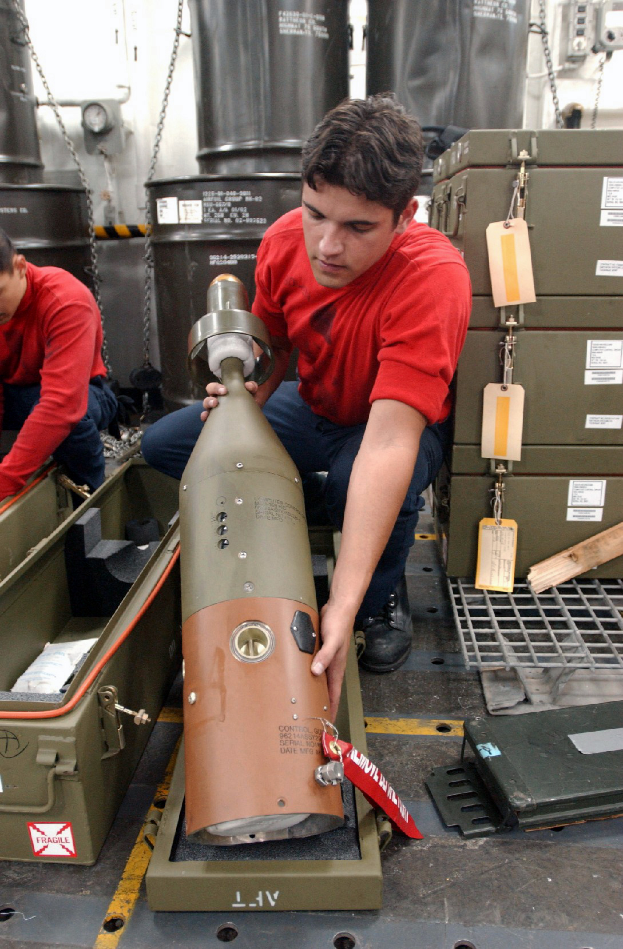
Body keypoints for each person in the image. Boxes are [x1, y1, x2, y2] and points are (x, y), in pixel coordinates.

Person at [141, 94, 471, 717]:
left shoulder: (433, 277)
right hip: (312, 408)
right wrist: (241, 404)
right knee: (169, 444)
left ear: (406, 216)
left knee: (363, 485)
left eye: (357, 227)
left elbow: (390, 442)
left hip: (385, 426)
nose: (327, 245)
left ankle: (380, 589)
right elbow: (271, 350)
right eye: (316, 214)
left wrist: (342, 607)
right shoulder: (283, 243)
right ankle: (346, 525)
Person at [0, 229, 117, 502]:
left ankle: (87, 506)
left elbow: (61, 404)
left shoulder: (65, 300)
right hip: (12, 394)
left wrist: (5, 482)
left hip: (81, 394)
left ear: (20, 267)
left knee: (62, 413)